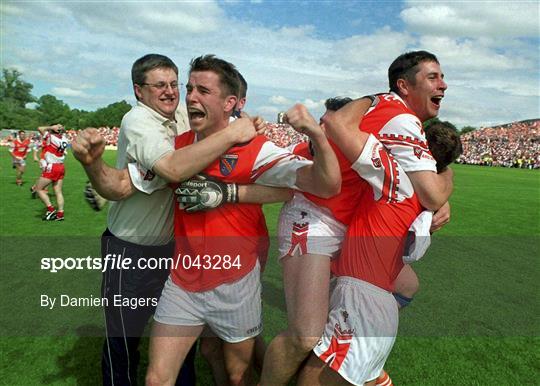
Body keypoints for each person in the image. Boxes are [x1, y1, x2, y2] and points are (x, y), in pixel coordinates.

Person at [139, 54, 340, 386]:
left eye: (203, 90)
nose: (190, 97)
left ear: (231, 102)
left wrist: (317, 136)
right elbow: (131, 181)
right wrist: (94, 170)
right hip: (183, 279)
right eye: (189, 89)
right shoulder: (177, 146)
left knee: (237, 374)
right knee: (158, 378)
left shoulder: (256, 148)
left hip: (235, 278)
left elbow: (325, 185)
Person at [71, 54, 260, 386]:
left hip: (172, 249)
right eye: (159, 85)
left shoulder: (182, 115)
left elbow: (126, 183)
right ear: (138, 91)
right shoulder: (139, 121)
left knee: (177, 335)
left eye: (175, 84)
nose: (171, 92)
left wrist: (241, 121)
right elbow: (171, 168)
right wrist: (233, 134)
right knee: (124, 338)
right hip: (130, 249)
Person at [297, 50, 453, 386]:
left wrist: (373, 99)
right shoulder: (420, 198)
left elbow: (337, 124)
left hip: (362, 287)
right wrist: (445, 186)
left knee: (320, 360)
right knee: (406, 287)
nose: (443, 84)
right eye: (433, 77)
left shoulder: (394, 177)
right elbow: (434, 198)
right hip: (373, 290)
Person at [34, 124, 69, 221]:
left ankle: (50, 209)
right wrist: (60, 128)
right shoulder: (64, 139)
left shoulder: (51, 137)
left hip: (52, 166)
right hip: (61, 166)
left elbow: (39, 128)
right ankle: (60, 214)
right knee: (58, 192)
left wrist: (51, 127)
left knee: (38, 189)